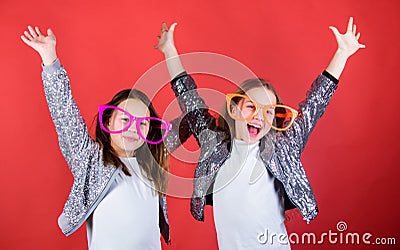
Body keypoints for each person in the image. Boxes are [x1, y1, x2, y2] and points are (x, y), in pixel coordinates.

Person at [156, 17, 365, 249]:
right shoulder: (212, 143)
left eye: (268, 111)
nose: (258, 116)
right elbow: (189, 98)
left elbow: (314, 104)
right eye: (251, 106)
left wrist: (342, 53)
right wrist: (169, 50)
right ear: (234, 108)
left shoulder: (283, 148)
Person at [20, 26, 192, 249]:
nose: (133, 128)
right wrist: (49, 58)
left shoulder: (153, 160)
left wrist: (170, 52)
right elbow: (64, 111)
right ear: (109, 121)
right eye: (125, 120)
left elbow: (194, 115)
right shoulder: (90, 160)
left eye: (143, 123)